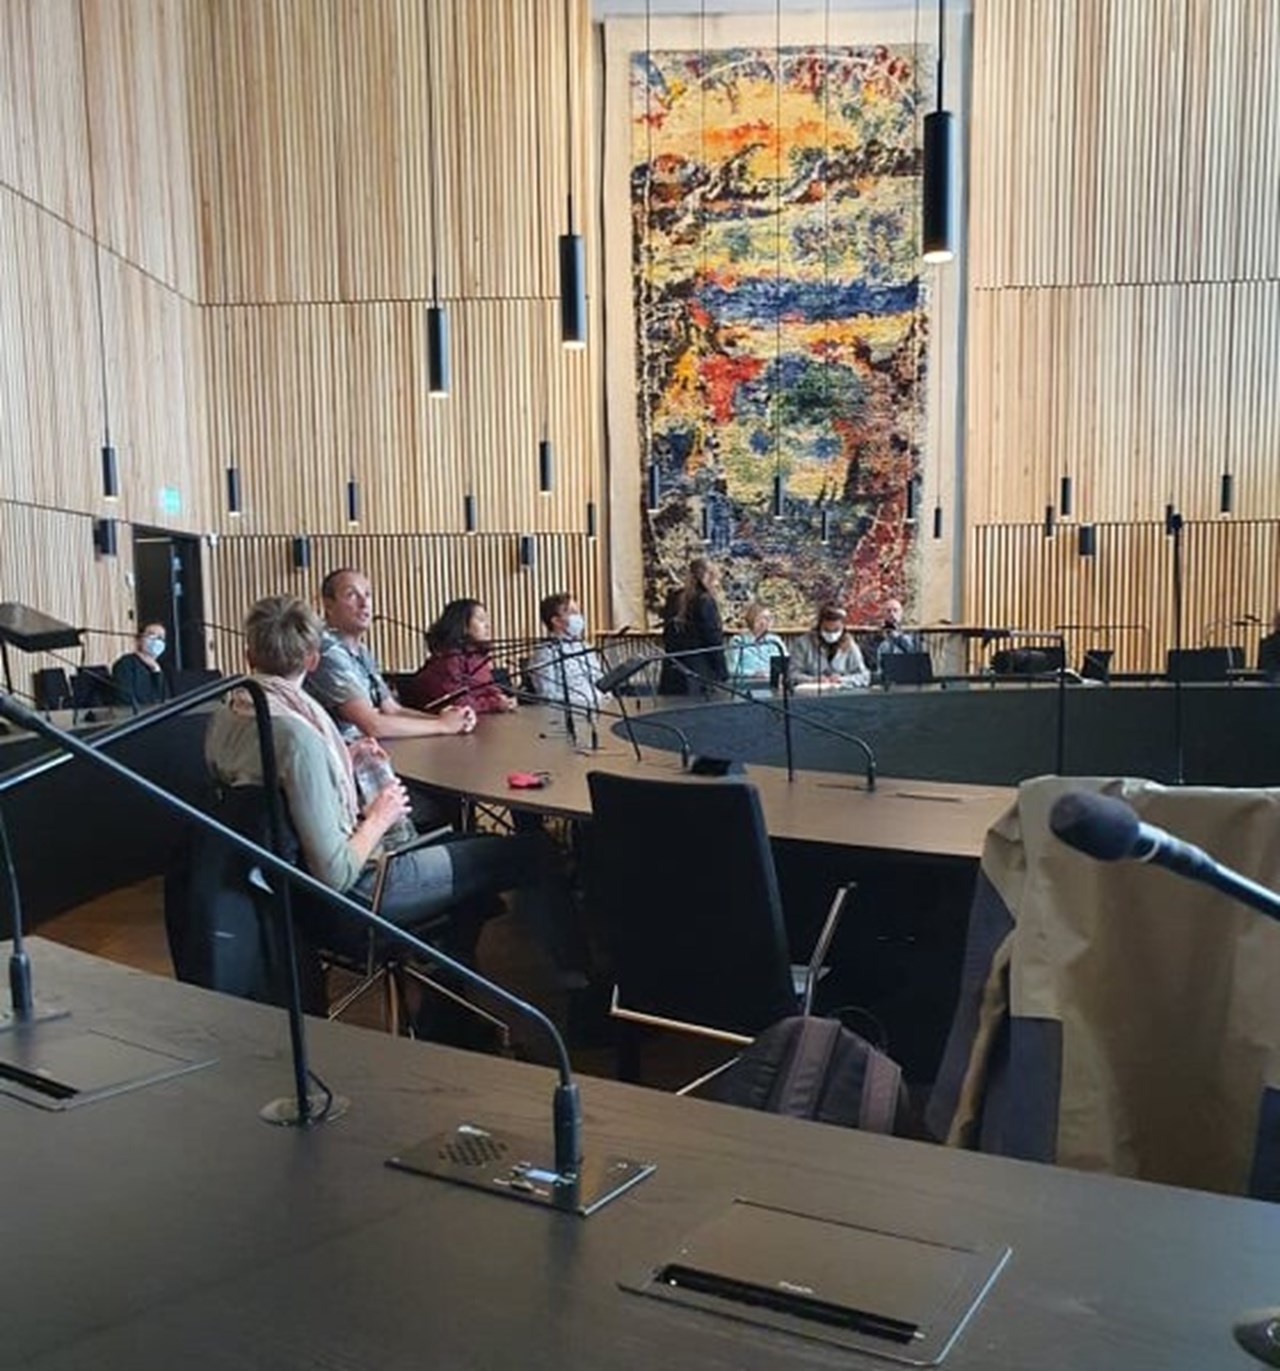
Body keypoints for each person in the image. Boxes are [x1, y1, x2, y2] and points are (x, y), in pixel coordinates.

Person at [205, 596, 579, 998]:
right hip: (363, 893)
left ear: (248, 656)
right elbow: (335, 874)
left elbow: (277, 791)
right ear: (313, 661)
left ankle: (450, 998)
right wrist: (380, 816)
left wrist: (342, 763)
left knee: (472, 851)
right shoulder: (297, 737)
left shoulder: (229, 715)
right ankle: (580, 995)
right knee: (536, 851)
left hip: (283, 897)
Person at [305, 568, 476, 744]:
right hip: (342, 760)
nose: (364, 603)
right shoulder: (326, 650)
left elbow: (392, 710)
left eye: (368, 594)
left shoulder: (361, 650)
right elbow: (372, 725)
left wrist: (451, 720)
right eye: (351, 595)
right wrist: (443, 726)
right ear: (328, 605)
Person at [402, 598, 517, 715]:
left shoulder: (477, 656)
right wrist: (495, 704)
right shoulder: (449, 659)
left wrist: (502, 698)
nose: (488, 625)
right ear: (463, 626)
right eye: (481, 620)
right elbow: (456, 703)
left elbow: (489, 689)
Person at [659, 557, 727, 695]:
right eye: (716, 580)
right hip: (697, 674)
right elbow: (712, 639)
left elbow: (667, 636)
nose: (717, 585)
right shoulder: (705, 601)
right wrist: (722, 671)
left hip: (672, 672)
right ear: (707, 577)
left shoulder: (674, 597)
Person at [528, 592, 603, 713]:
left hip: (601, 709)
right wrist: (583, 701)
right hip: (568, 714)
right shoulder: (545, 653)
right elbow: (548, 696)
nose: (579, 617)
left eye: (578, 612)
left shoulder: (586, 647)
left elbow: (600, 681)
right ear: (556, 621)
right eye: (573, 613)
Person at [790, 604, 870, 688]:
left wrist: (842, 679)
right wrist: (812, 680)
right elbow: (792, 674)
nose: (831, 634)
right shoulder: (802, 644)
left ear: (843, 627)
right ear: (819, 626)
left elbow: (864, 676)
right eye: (827, 630)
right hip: (811, 696)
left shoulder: (850, 645)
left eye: (836, 630)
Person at [111, 622, 171, 709]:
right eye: (152, 635)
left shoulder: (161, 668)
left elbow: (165, 700)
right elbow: (125, 700)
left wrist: (156, 671)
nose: (157, 641)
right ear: (139, 639)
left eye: (161, 637)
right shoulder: (126, 664)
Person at [725, 602, 787, 685]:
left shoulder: (775, 641)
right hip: (746, 685)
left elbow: (786, 665)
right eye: (761, 618)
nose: (764, 622)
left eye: (768, 618)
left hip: (772, 684)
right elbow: (731, 669)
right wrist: (753, 674)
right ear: (751, 619)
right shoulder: (738, 641)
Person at [874, 598, 922, 667]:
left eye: (895, 610)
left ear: (901, 613)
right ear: (883, 614)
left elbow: (912, 651)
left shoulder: (910, 630)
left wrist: (897, 636)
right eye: (888, 611)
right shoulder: (876, 633)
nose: (892, 614)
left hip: (905, 667)